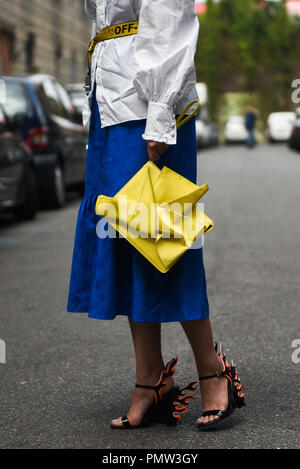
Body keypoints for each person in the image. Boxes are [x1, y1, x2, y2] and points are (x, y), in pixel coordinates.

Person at [67, 0, 245, 430]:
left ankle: (211, 369)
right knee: (125, 236)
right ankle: (150, 380)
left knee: (165, 237)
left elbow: (170, 12)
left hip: (149, 103)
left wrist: (161, 114)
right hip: (109, 100)